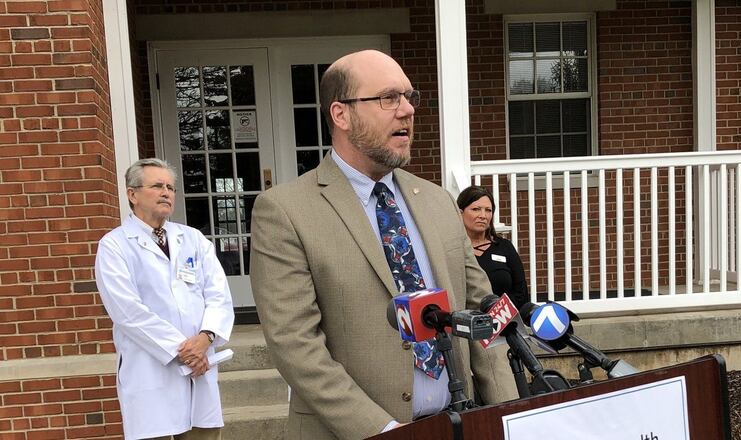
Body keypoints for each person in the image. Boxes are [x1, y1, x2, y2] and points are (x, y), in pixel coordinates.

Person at [249, 50, 517, 440]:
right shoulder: (285, 211)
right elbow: (296, 346)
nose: (407, 109)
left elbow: (480, 312)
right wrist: (385, 432)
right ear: (341, 114)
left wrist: (504, 414)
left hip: (456, 424)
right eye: (389, 98)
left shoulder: (438, 201)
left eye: (409, 97)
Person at [95, 158, 234, 440]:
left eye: (170, 187)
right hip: (150, 368)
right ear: (132, 194)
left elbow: (218, 294)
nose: (166, 192)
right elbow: (127, 311)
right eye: (157, 185)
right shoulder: (114, 245)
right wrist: (185, 351)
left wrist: (205, 338)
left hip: (199, 363)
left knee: (203, 433)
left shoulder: (193, 239)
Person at [457, 186, 529, 309]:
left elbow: (521, 294)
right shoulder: (453, 250)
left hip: (504, 321)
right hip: (465, 323)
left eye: (488, 210)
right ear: (460, 213)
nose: (483, 215)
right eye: (476, 209)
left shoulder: (505, 247)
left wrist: (497, 312)